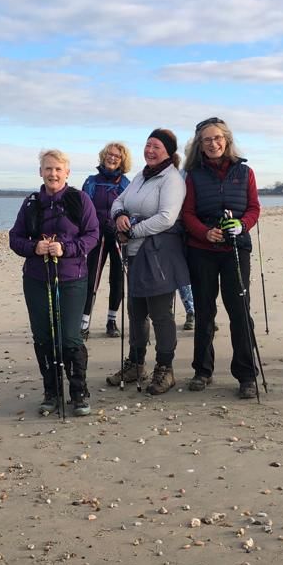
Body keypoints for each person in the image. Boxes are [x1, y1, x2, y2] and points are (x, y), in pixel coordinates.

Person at [9, 150, 99, 416]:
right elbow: (15, 238)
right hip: (37, 278)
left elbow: (93, 235)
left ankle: (79, 391)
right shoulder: (30, 203)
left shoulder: (80, 199)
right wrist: (33, 247)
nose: (53, 174)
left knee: (70, 336)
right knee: (43, 336)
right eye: (48, 169)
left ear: (67, 172)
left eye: (58, 169)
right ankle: (52, 391)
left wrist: (66, 248)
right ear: (40, 172)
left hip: (71, 278)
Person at [181, 117, 262, 399]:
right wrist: (205, 233)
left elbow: (254, 207)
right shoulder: (193, 174)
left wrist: (242, 225)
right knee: (204, 311)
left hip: (237, 250)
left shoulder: (244, 172)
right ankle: (203, 370)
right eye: (207, 140)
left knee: (240, 311)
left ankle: (247, 374)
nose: (213, 143)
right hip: (202, 251)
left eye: (217, 138)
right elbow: (187, 213)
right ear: (199, 145)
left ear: (226, 140)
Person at [109, 129, 190, 395]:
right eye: (147, 145)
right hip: (134, 254)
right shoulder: (141, 176)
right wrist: (119, 214)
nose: (150, 150)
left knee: (160, 314)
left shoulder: (172, 179)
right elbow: (119, 199)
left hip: (159, 255)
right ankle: (135, 363)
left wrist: (132, 230)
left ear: (168, 151)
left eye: (156, 146)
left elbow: (167, 217)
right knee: (135, 311)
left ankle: (165, 369)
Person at [80, 142, 132, 339]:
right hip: (97, 235)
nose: (112, 158)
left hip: (118, 235)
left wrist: (124, 227)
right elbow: (85, 208)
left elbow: (130, 208)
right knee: (91, 278)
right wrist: (94, 228)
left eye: (117, 156)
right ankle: (84, 321)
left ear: (122, 160)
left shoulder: (126, 183)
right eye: (110, 155)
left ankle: (112, 320)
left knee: (117, 279)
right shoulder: (92, 181)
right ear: (103, 156)